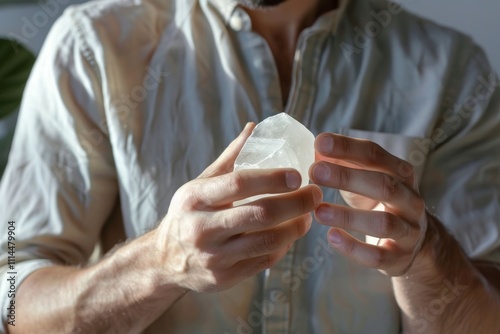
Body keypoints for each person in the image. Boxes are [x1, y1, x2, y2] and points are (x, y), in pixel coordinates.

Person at [1, 0, 499, 332]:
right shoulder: (94, 50)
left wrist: (427, 257)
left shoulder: (450, 71)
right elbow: (8, 295)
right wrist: (157, 264)